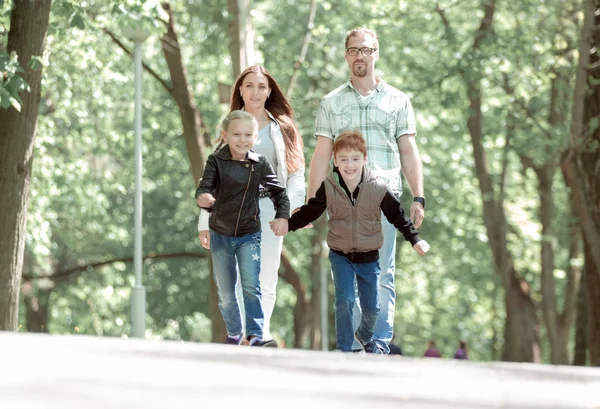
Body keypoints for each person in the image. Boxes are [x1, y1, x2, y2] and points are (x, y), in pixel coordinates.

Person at [307, 27, 426, 354]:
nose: (360, 55)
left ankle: (377, 345)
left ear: (376, 54)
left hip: (384, 200)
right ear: (346, 55)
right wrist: (311, 201)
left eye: (366, 49)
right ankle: (356, 346)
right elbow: (320, 154)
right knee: (349, 279)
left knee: (381, 273)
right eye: (354, 50)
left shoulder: (398, 101)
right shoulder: (331, 102)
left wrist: (418, 196)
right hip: (342, 202)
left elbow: (408, 151)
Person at [271, 130, 429, 353]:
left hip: (369, 255)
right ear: (335, 161)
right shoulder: (329, 187)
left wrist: (415, 239)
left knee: (373, 308)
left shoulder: (378, 187)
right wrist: (288, 223)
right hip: (341, 254)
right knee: (345, 300)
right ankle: (344, 349)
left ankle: (364, 334)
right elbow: (310, 211)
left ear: (365, 160)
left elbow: (398, 216)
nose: (349, 165)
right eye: (343, 159)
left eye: (355, 159)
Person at [198, 66, 305, 343]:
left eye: (261, 86)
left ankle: (258, 335)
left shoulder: (283, 128)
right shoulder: (229, 127)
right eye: (249, 85)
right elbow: (212, 180)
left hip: (268, 209)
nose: (255, 91)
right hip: (231, 212)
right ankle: (241, 333)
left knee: (265, 274)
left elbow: (295, 175)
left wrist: (288, 212)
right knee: (233, 279)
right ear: (240, 90)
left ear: (269, 91)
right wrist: (205, 220)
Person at [195, 110, 290, 347]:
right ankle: (235, 332)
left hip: (249, 234)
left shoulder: (259, 164)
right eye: (236, 134)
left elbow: (279, 193)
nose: (242, 139)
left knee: (251, 285)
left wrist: (282, 216)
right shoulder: (216, 161)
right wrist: (203, 197)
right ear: (225, 135)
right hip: (221, 234)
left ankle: (255, 335)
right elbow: (204, 186)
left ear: (256, 137)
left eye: (248, 134)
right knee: (227, 293)